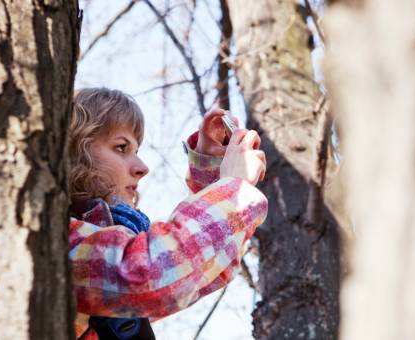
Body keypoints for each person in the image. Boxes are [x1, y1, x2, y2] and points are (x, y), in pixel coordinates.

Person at [68, 88, 268, 340]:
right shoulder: (53, 238)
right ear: (74, 152)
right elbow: (151, 274)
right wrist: (232, 189)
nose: (142, 168)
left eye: (136, 151)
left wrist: (213, 172)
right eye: (121, 147)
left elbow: (198, 274)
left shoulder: (102, 245)